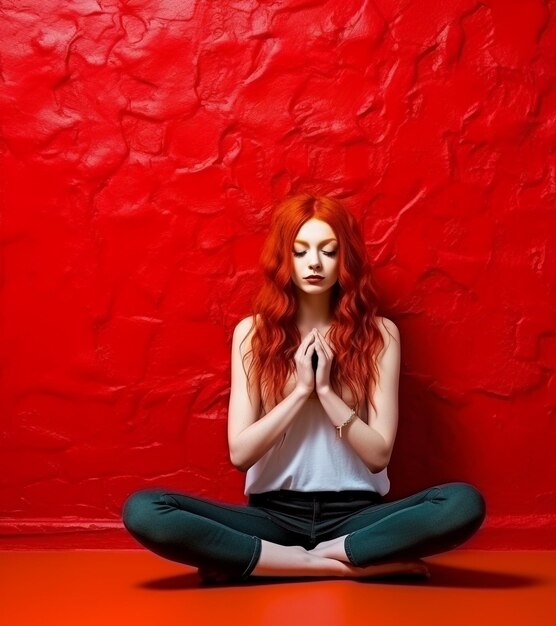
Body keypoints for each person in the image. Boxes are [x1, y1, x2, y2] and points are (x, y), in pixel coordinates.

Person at [122, 193, 486, 584]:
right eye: (300, 252)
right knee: (145, 510)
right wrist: (298, 394)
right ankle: (324, 564)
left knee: (463, 504)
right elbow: (241, 454)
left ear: (344, 259)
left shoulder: (381, 335)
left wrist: (327, 393)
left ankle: (270, 563)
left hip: (357, 518)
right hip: (272, 516)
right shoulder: (253, 334)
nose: (314, 263)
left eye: (328, 251)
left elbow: (379, 455)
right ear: (285, 259)